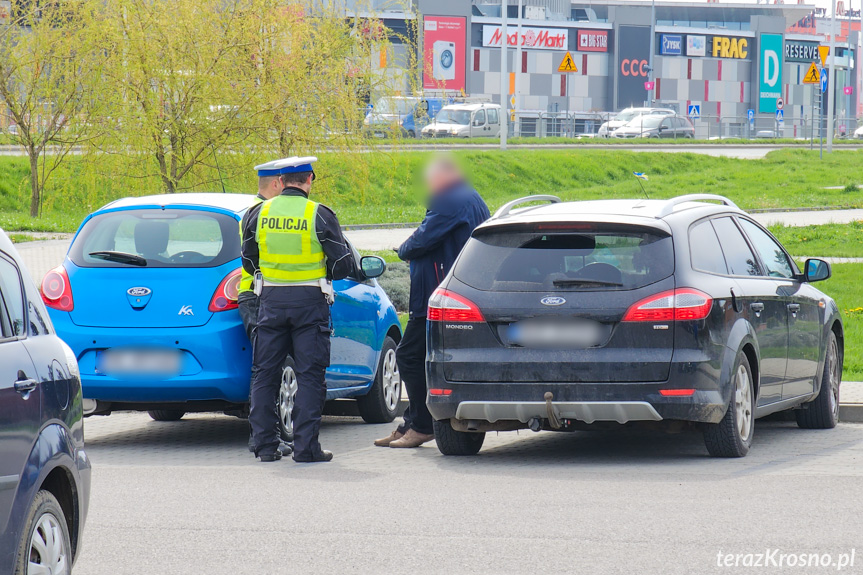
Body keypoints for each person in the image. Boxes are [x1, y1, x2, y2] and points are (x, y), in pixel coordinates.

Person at [241, 156, 354, 462]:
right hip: (309, 303)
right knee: (310, 376)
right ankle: (306, 448)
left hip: (270, 302)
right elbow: (344, 264)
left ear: (281, 181)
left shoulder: (258, 213)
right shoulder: (319, 213)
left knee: (264, 374)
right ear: (309, 180)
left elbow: (248, 261)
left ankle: (265, 447)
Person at [376, 157, 490, 449]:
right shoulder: (470, 197)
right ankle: (411, 422)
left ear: (443, 177)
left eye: (431, 180)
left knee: (409, 357)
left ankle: (422, 425)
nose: (429, 186)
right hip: (449, 294)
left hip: (436, 296)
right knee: (421, 358)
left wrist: (402, 249)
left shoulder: (450, 200)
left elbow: (423, 238)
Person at [239, 169, 290, 455]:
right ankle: (260, 436)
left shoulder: (251, 211)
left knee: (267, 367)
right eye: (284, 184)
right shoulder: (260, 213)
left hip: (255, 295)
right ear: (276, 184)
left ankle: (265, 435)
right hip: (259, 296)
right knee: (266, 368)